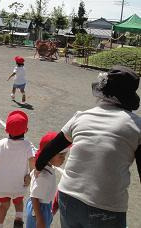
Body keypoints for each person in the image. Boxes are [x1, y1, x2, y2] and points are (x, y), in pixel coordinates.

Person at [35, 66, 141, 228]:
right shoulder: (136, 126)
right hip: (107, 205)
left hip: (68, 196)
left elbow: (50, 149)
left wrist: (38, 166)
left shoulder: (80, 117)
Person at [0, 110, 35, 228]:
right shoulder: (27, 144)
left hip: (3, 184)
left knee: (3, 206)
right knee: (18, 202)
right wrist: (29, 176)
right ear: (26, 130)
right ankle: (18, 219)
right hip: (18, 183)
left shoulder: (2, 143)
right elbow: (32, 160)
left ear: (7, 130)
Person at [26, 132, 69, 228]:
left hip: (43, 207)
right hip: (38, 209)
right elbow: (34, 197)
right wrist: (40, 218)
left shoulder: (44, 168)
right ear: (49, 154)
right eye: (61, 155)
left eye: (65, 155)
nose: (64, 159)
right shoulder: (44, 175)